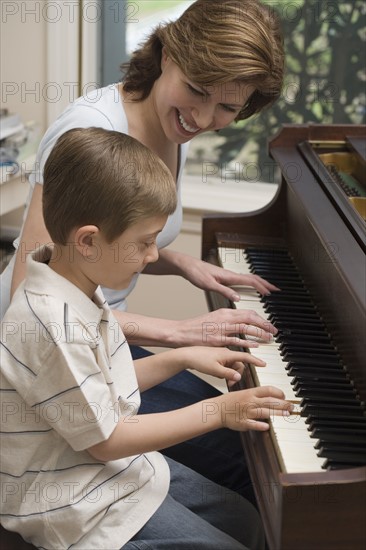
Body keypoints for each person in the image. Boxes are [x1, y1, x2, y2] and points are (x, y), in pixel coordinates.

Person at [0, 0, 285, 497]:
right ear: (168, 52)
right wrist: (178, 333)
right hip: (47, 350)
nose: (202, 116)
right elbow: (34, 292)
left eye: (227, 107)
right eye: (196, 91)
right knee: (247, 461)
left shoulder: (175, 120)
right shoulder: (91, 129)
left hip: (100, 341)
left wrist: (178, 262)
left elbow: (104, 240)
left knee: (248, 445)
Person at [0, 127, 293, 550]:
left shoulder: (76, 282)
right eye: (145, 243)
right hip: (75, 507)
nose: (154, 256)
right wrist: (219, 410)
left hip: (109, 475)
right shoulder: (52, 321)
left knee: (245, 520)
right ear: (88, 241)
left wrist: (181, 358)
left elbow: (103, 388)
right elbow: (107, 441)